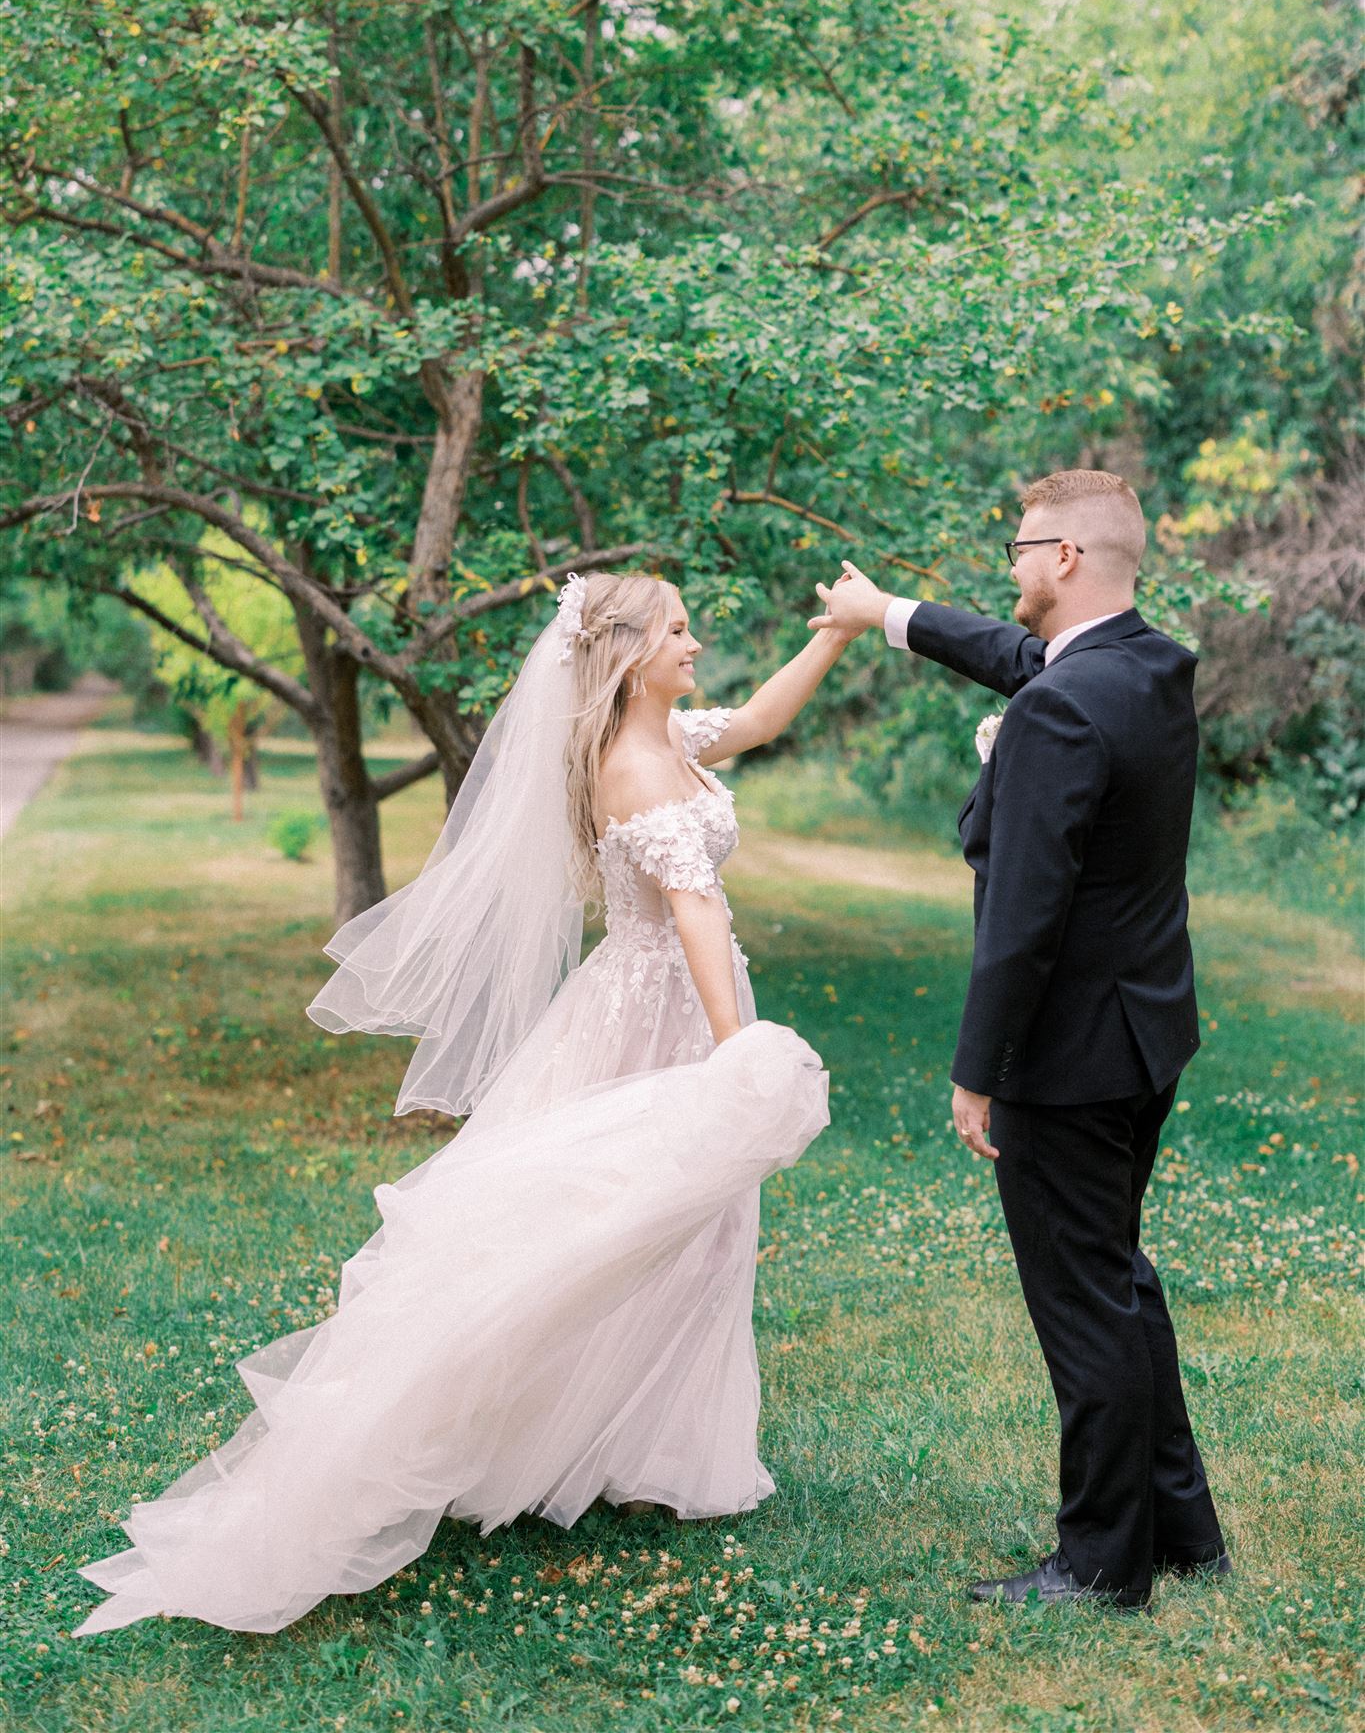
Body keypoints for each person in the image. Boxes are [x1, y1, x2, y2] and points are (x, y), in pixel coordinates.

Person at [74, 573, 846, 1637]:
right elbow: (696, 910)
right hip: (649, 1017)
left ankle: (637, 1446)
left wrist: (842, 631)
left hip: (653, 999)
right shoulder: (633, 762)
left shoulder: (669, 737)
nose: (696, 640)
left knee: (678, 1233)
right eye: (677, 628)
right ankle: (493, 1434)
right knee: (605, 1233)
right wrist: (738, 1055)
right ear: (627, 655)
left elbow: (758, 719)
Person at [813, 469, 1228, 1609]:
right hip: (1147, 1033)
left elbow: (1023, 918)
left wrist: (976, 1071)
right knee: (1119, 1279)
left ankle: (1100, 1565)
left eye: (1019, 545)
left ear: (1066, 560)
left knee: (1085, 1304)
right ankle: (1183, 1527)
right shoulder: (1148, 665)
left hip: (1068, 1056)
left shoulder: (1060, 708)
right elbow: (1015, 655)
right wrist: (883, 611)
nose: (1009, 562)